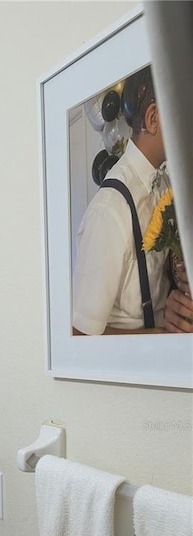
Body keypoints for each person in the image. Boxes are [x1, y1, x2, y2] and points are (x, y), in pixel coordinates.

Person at [72, 66, 193, 335]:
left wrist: (173, 299)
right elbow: (80, 335)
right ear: (153, 118)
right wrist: (157, 336)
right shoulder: (109, 211)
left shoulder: (163, 185)